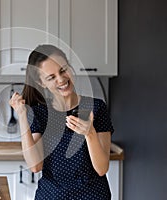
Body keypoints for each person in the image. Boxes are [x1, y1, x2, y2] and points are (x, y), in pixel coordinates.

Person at [9, 44, 114, 199]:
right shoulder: (40, 113)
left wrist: (90, 133)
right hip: (51, 196)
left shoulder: (96, 107)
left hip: (92, 195)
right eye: (51, 77)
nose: (61, 79)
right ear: (41, 83)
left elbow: (102, 168)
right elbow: (35, 166)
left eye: (63, 70)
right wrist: (23, 116)